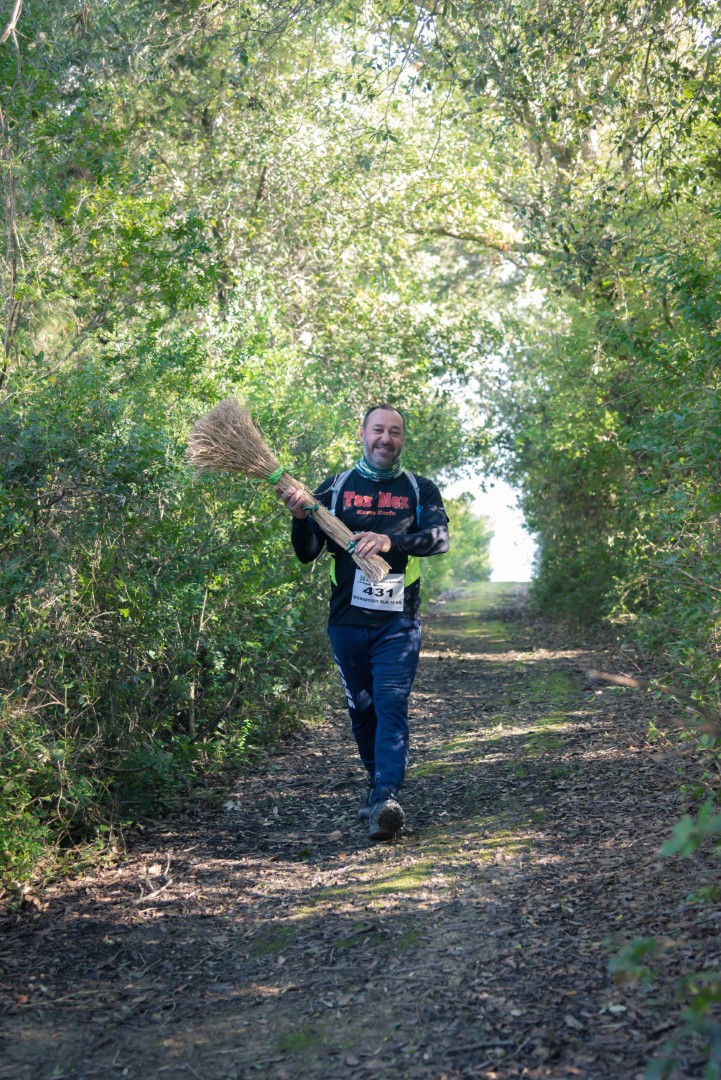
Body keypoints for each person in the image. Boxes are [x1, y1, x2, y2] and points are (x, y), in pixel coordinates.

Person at [277, 404, 449, 841]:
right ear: (362, 433)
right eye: (378, 430)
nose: (385, 439)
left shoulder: (419, 488)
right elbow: (307, 552)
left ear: (402, 439)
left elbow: (439, 539)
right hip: (347, 622)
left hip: (399, 623)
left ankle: (388, 795)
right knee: (363, 708)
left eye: (394, 432)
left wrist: (391, 541)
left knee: (391, 702)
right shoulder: (334, 488)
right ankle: (376, 786)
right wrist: (300, 516)